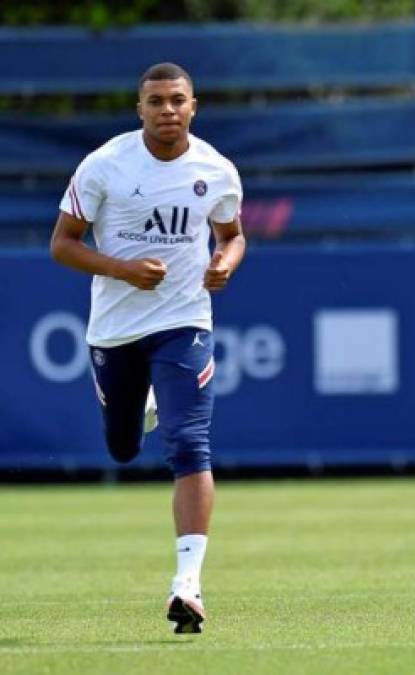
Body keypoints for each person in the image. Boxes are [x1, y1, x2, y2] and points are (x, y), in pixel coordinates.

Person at [50, 62, 245, 634]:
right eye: (155, 101)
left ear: (194, 106)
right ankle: (137, 410)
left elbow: (231, 236)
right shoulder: (105, 165)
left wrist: (223, 264)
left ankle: (188, 583)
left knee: (190, 442)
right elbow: (62, 243)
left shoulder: (217, 170)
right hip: (115, 327)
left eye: (177, 100)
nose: (167, 110)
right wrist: (121, 269)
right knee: (123, 447)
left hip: (185, 319)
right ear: (139, 109)